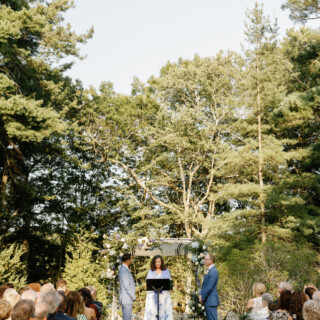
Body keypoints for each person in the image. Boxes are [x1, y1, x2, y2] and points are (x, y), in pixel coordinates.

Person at [144, 255, 173, 320]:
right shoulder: (150, 271)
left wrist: (171, 288)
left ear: (161, 262)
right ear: (154, 263)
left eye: (159, 261)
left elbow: (170, 283)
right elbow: (147, 283)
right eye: (156, 261)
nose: (157, 263)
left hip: (163, 297)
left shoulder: (166, 271)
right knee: (153, 313)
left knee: (163, 312)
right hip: (152, 296)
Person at [199, 254, 219, 320]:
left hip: (211, 301)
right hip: (209, 300)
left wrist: (202, 296)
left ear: (211, 260)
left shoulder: (213, 271)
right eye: (204, 259)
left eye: (206, 259)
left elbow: (209, 287)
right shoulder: (209, 270)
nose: (204, 261)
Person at [118, 253, 136, 320]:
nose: (131, 261)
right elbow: (127, 286)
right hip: (126, 298)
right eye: (131, 259)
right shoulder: (124, 270)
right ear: (128, 260)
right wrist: (133, 296)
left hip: (126, 298)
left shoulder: (124, 269)